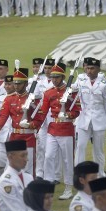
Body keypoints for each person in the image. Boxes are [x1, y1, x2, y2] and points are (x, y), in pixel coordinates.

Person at [0, 64, 44, 176]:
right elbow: (3, 116)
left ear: (26, 84)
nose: (16, 86)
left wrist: (30, 124)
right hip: (14, 137)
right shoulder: (9, 99)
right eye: (15, 83)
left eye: (19, 83)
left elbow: (39, 119)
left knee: (28, 169)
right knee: (12, 168)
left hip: (28, 138)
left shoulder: (33, 99)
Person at [39, 61, 81, 199]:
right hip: (52, 129)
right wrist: (34, 125)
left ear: (63, 77)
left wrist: (68, 114)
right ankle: (48, 183)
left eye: (57, 77)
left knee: (67, 160)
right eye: (52, 77)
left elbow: (77, 111)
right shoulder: (48, 92)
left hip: (66, 128)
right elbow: (43, 112)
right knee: (48, 156)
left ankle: (68, 187)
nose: (54, 79)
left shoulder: (71, 91)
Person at [75, 57, 106, 176]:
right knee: (80, 147)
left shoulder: (104, 85)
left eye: (92, 68)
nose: (89, 71)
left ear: (98, 69)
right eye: (87, 68)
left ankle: (100, 174)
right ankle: (78, 174)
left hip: (99, 120)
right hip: (83, 119)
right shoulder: (80, 81)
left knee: (98, 150)